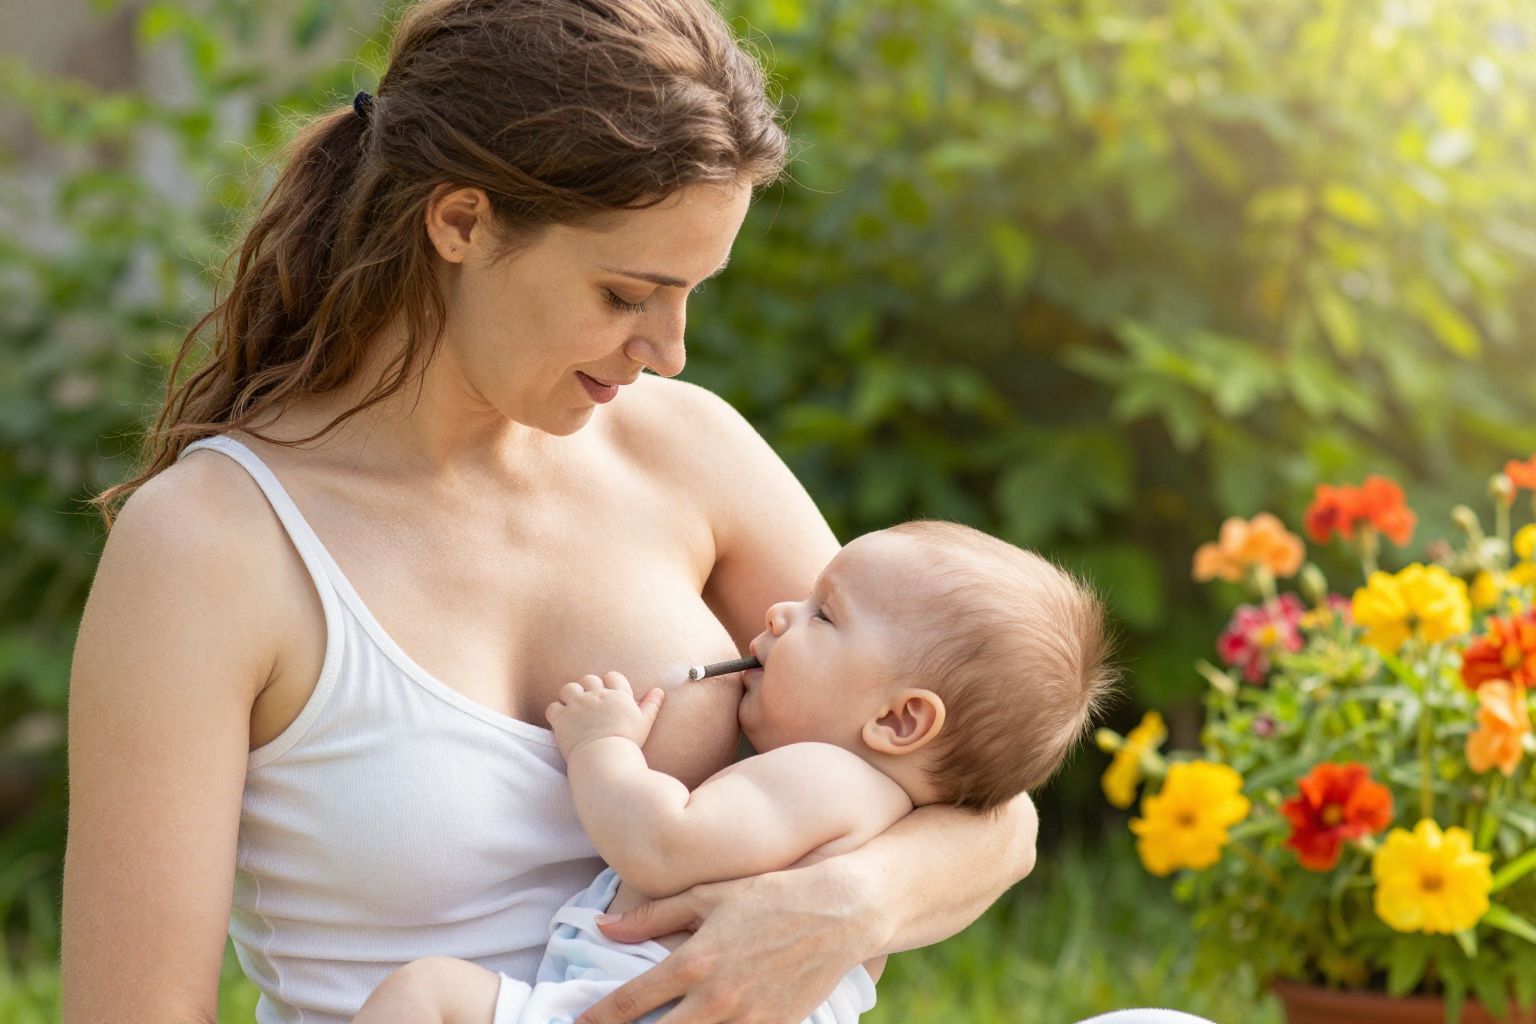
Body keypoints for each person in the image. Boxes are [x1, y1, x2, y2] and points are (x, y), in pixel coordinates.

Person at [59, 3, 1042, 1023]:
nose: (669, 350)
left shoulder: (685, 447)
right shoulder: (212, 545)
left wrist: (844, 904)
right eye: (625, 295)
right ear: (461, 222)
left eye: (693, 293)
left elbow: (992, 810)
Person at [349, 521, 1118, 1024]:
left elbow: (660, 846)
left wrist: (600, 746)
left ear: (899, 721)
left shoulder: (823, 777)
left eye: (823, 614)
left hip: (625, 1007)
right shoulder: (877, 811)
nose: (780, 611)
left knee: (425, 995)